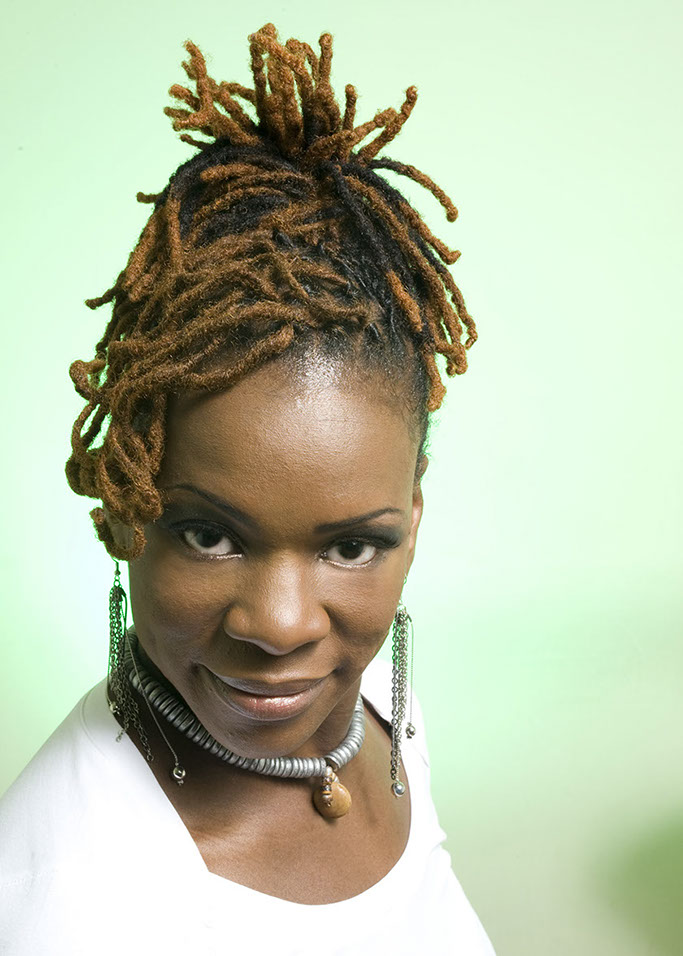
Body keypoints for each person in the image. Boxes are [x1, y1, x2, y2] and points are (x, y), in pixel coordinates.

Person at [0, 24, 496, 956]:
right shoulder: (71, 909)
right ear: (125, 501)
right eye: (208, 534)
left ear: (412, 518)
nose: (280, 627)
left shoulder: (370, 712)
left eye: (351, 546)